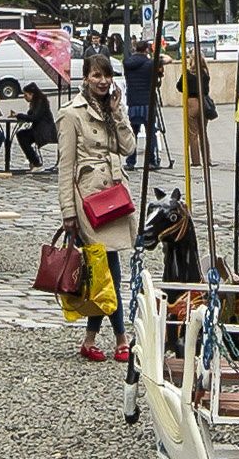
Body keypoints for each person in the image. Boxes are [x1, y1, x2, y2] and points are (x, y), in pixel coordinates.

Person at [52, 59, 135, 362]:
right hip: (87, 200)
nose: (102, 81)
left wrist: (117, 111)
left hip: (113, 196)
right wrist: (67, 212)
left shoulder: (111, 109)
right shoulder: (71, 115)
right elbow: (64, 168)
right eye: (96, 75)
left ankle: (89, 340)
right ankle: (121, 338)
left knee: (103, 270)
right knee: (108, 267)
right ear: (85, 77)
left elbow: (128, 148)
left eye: (107, 74)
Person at [123, 34, 164, 166]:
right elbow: (159, 73)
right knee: (150, 133)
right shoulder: (150, 64)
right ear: (146, 50)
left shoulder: (127, 63)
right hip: (148, 101)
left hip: (133, 101)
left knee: (132, 133)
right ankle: (151, 161)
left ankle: (130, 161)